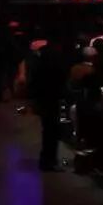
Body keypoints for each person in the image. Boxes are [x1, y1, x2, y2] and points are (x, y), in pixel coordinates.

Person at [28, 39, 66, 172]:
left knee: (48, 131)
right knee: (52, 132)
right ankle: (50, 161)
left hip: (43, 100)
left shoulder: (38, 65)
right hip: (52, 100)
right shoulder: (54, 65)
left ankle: (47, 160)